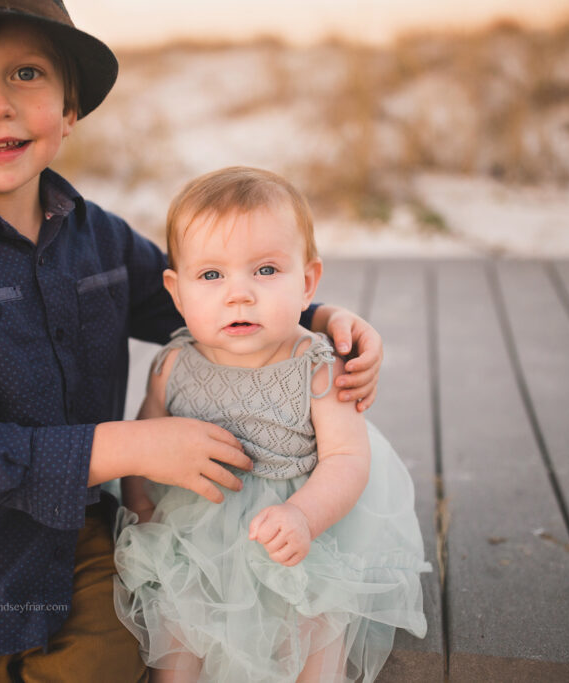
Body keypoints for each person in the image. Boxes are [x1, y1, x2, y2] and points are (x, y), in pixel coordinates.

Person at [0, 2, 386, 680]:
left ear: (69, 111)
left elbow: (197, 302)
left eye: (26, 74)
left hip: (72, 544)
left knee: (122, 659)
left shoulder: (98, 237)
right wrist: (134, 443)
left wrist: (322, 318)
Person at [114, 167, 430, 683]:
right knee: (179, 625)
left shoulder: (318, 368)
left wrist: (304, 518)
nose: (239, 294)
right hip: (196, 532)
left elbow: (348, 461)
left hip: (303, 528)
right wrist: (142, 507)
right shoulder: (172, 365)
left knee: (313, 621)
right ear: (176, 291)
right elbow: (141, 442)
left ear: (307, 282)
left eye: (264, 270)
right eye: (211, 276)